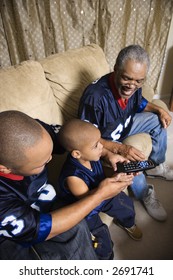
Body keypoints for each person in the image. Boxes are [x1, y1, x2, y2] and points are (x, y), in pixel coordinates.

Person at [0, 110, 133, 260]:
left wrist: (108, 153)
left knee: (80, 228)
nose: (51, 158)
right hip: (13, 240)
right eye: (43, 162)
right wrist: (100, 195)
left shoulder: (34, 131)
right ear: (4, 168)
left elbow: (76, 139)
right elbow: (41, 228)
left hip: (44, 206)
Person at [78, 44, 173, 222]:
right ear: (116, 70)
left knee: (158, 121)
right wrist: (120, 148)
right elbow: (86, 139)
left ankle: (156, 167)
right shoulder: (95, 97)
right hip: (104, 140)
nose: (132, 85)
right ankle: (145, 193)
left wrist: (159, 110)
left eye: (139, 81)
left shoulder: (135, 87)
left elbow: (140, 103)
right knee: (131, 163)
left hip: (125, 125)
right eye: (127, 78)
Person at [57, 119, 142, 260]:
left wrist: (117, 170)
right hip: (88, 207)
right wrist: (114, 182)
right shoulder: (73, 177)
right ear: (77, 154)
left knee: (125, 204)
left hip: (102, 190)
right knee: (101, 239)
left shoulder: (90, 154)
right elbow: (89, 200)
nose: (102, 146)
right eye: (96, 145)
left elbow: (102, 153)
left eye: (99, 141)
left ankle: (127, 223)